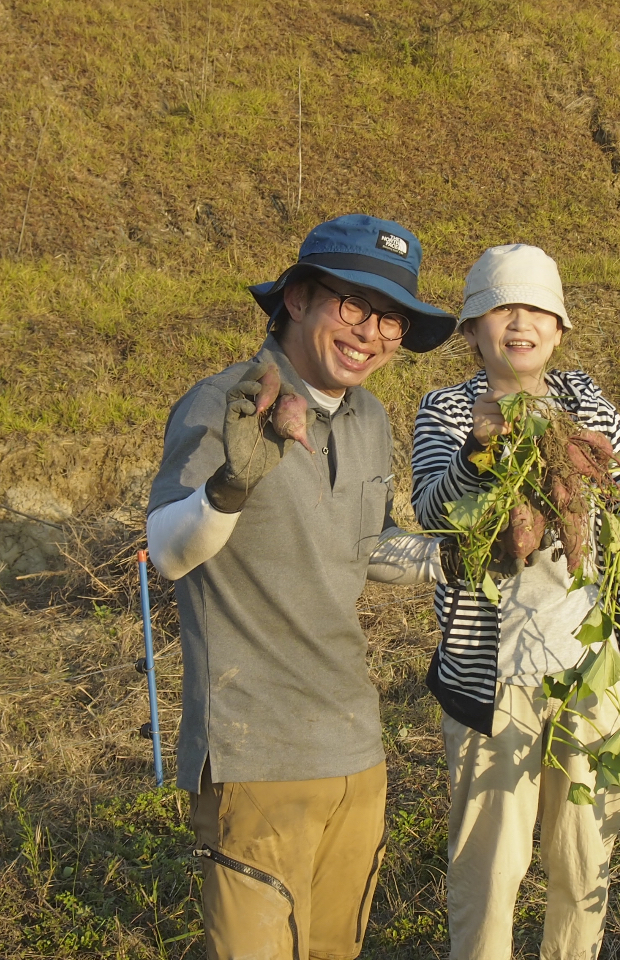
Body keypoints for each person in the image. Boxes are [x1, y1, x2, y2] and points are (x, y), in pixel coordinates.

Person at [410, 244, 620, 960]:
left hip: (590, 675)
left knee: (583, 868)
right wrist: (482, 448)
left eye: (537, 308)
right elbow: (438, 515)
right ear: (472, 329)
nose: (520, 323)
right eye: (502, 308)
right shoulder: (445, 410)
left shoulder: (584, 403)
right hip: (491, 684)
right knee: (490, 874)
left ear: (560, 327)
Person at [145, 214, 454, 960]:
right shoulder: (223, 404)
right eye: (353, 304)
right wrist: (229, 487)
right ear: (297, 299)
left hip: (355, 749)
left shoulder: (371, 416)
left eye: (389, 318)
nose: (372, 332)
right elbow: (166, 552)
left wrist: (457, 560)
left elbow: (368, 547)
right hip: (257, 754)